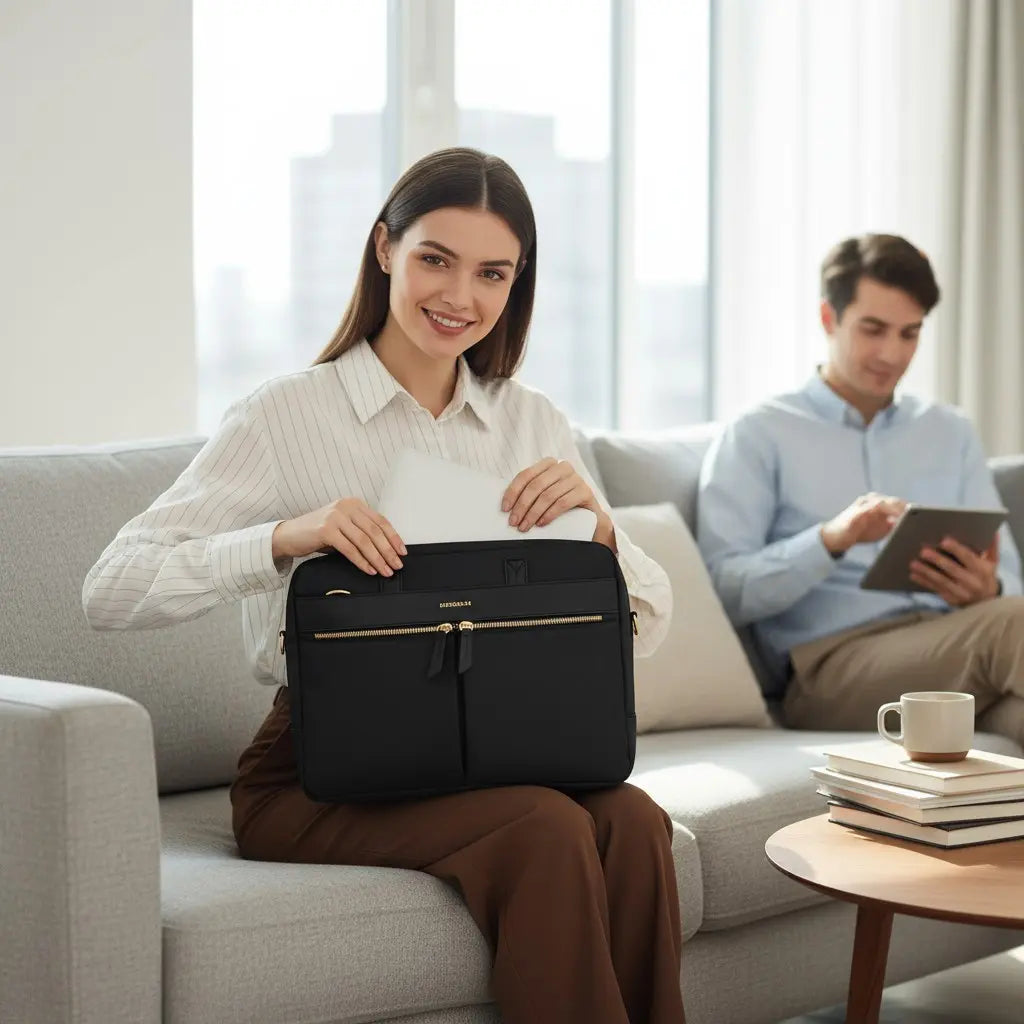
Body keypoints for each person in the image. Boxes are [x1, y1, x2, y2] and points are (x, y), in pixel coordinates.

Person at [82, 147, 686, 1024]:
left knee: (632, 820)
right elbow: (111, 588)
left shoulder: (533, 421)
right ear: (384, 250)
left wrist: (598, 536)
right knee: (547, 830)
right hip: (319, 772)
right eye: (435, 258)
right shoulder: (286, 415)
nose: (460, 297)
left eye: (493, 273)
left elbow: (650, 620)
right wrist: (289, 539)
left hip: (506, 741)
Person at [697, 233, 1024, 743]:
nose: (891, 354)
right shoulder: (759, 432)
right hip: (829, 668)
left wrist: (990, 589)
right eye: (873, 329)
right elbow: (725, 591)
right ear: (829, 319)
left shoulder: (949, 431)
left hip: (957, 647)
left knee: (1015, 724)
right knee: (1014, 625)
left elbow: (1009, 580)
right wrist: (830, 538)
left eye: (909, 334)